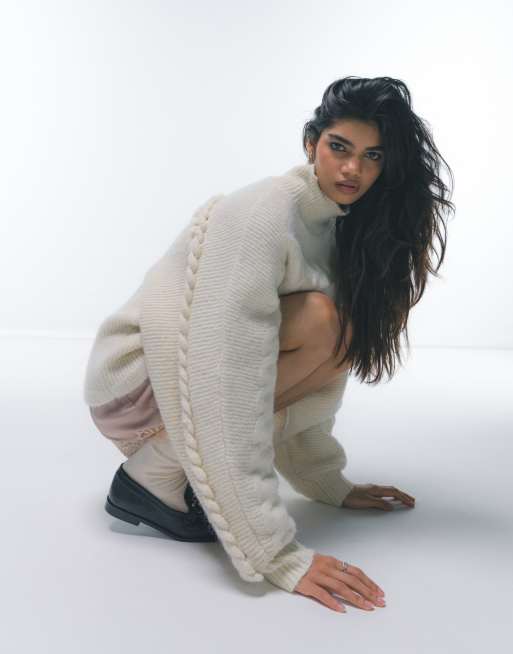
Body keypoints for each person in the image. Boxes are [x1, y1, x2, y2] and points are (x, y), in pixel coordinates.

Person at [83, 76, 454, 613]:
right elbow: (222, 370)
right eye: (339, 147)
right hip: (136, 381)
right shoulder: (262, 214)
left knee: (344, 331)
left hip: (184, 374)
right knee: (322, 320)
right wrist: (275, 551)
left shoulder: (337, 227)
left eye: (372, 156)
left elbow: (314, 376)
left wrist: (326, 481)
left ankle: (170, 465)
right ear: (311, 144)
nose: (353, 169)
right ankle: (153, 474)